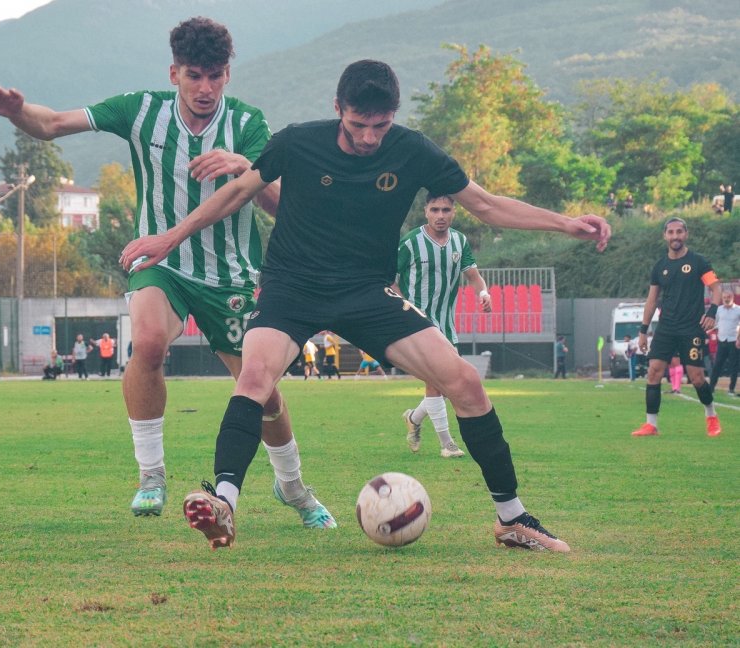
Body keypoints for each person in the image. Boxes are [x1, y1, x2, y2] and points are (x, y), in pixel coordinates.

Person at [121, 59, 611, 551]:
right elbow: (235, 194)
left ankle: (512, 519)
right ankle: (224, 502)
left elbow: (486, 204)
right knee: (253, 378)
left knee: (465, 381)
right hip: (292, 286)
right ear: (338, 110)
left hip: (367, 290)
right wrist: (171, 237)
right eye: (359, 125)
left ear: (393, 115)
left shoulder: (413, 149)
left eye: (381, 125)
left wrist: (565, 222)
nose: (371, 138)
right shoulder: (297, 141)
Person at [0, 17, 334, 528]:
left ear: (228, 75)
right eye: (194, 75)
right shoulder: (140, 110)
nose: (205, 87)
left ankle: (293, 487)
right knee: (146, 343)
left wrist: (241, 167)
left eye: (215, 75)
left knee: (265, 392)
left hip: (232, 275)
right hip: (161, 264)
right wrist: (18, 114)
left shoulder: (250, 125)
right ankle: (151, 475)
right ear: (174, 73)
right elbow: (51, 124)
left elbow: (280, 206)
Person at [396, 193, 491, 459]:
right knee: (435, 383)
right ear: (425, 211)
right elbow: (391, 281)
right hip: (417, 325)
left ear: (454, 212)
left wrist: (483, 294)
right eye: (435, 209)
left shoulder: (459, 241)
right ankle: (447, 444)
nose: (440, 215)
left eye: (446, 210)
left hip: (447, 325)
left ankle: (414, 418)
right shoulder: (411, 242)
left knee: (448, 386)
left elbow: (473, 276)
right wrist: (402, 309)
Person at [632, 218, 722, 438]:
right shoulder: (660, 267)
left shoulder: (699, 262)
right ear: (665, 236)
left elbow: (716, 289)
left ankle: (711, 415)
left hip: (691, 328)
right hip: (666, 328)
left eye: (679, 232)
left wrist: (711, 313)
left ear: (686, 234)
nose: (675, 236)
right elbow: (652, 300)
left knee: (697, 377)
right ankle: (651, 425)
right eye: (671, 232)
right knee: (653, 371)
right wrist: (643, 331)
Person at [709, 290, 740, 395]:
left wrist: (739, 339)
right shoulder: (719, 310)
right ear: (722, 298)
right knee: (717, 365)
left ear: (732, 297)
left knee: (734, 366)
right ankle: (711, 388)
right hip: (722, 340)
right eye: (725, 297)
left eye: (728, 297)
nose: (726, 299)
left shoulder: (738, 310)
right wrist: (708, 330)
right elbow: (716, 323)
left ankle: (731, 389)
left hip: (733, 341)